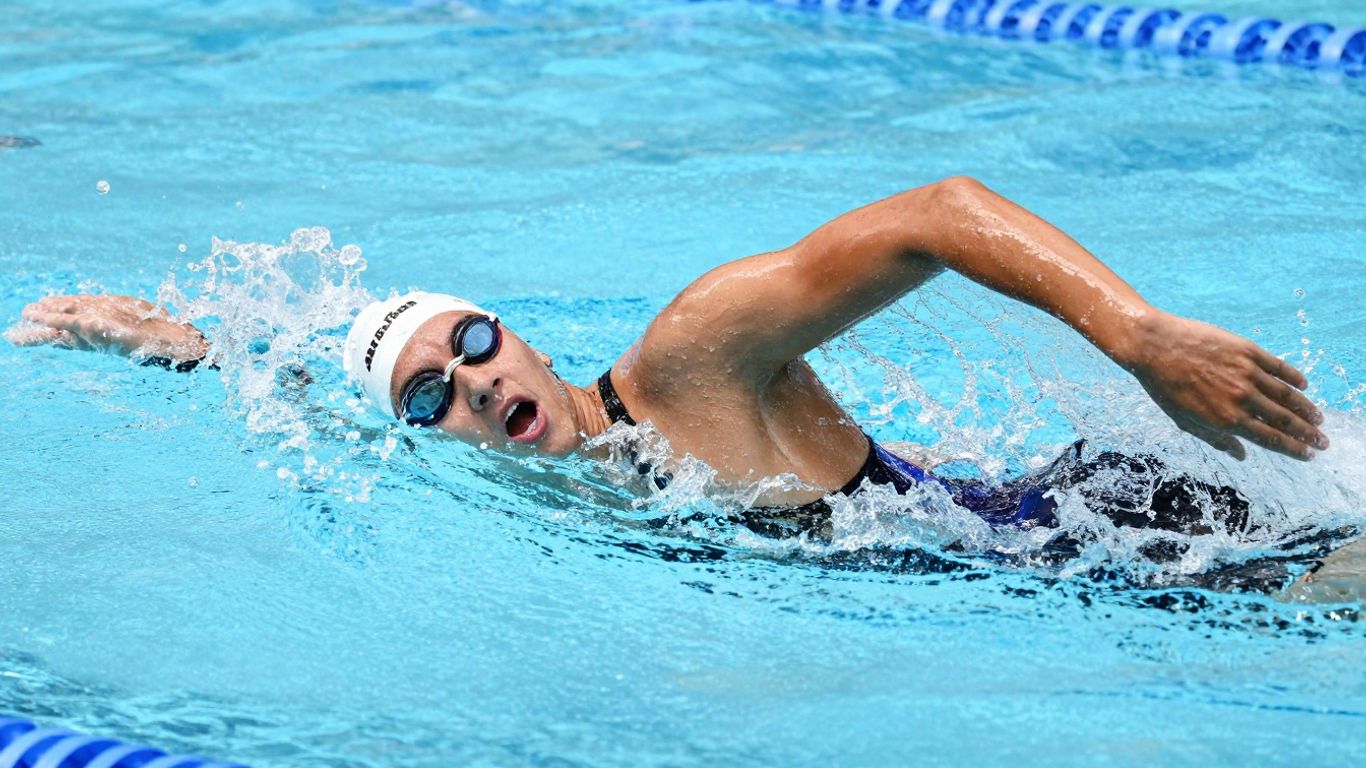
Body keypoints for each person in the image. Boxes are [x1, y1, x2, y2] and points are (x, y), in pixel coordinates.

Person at [10, 177, 1332, 542]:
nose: (468, 381)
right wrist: (168, 345)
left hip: (1139, 536)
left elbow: (934, 212)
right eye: (430, 393)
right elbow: (290, 383)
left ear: (515, 333)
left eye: (473, 344)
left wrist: (1137, 335)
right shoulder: (519, 475)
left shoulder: (690, 362)